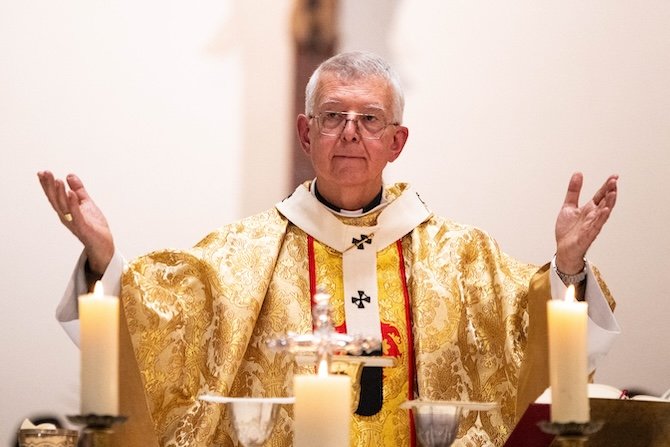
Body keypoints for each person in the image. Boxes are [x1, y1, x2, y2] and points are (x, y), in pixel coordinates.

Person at [38, 51, 620, 447]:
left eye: (370, 119)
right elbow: (152, 321)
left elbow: (537, 333)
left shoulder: (463, 260)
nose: (350, 132)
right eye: (333, 116)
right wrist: (102, 259)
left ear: (397, 142)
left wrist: (568, 267)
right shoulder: (243, 258)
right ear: (306, 132)